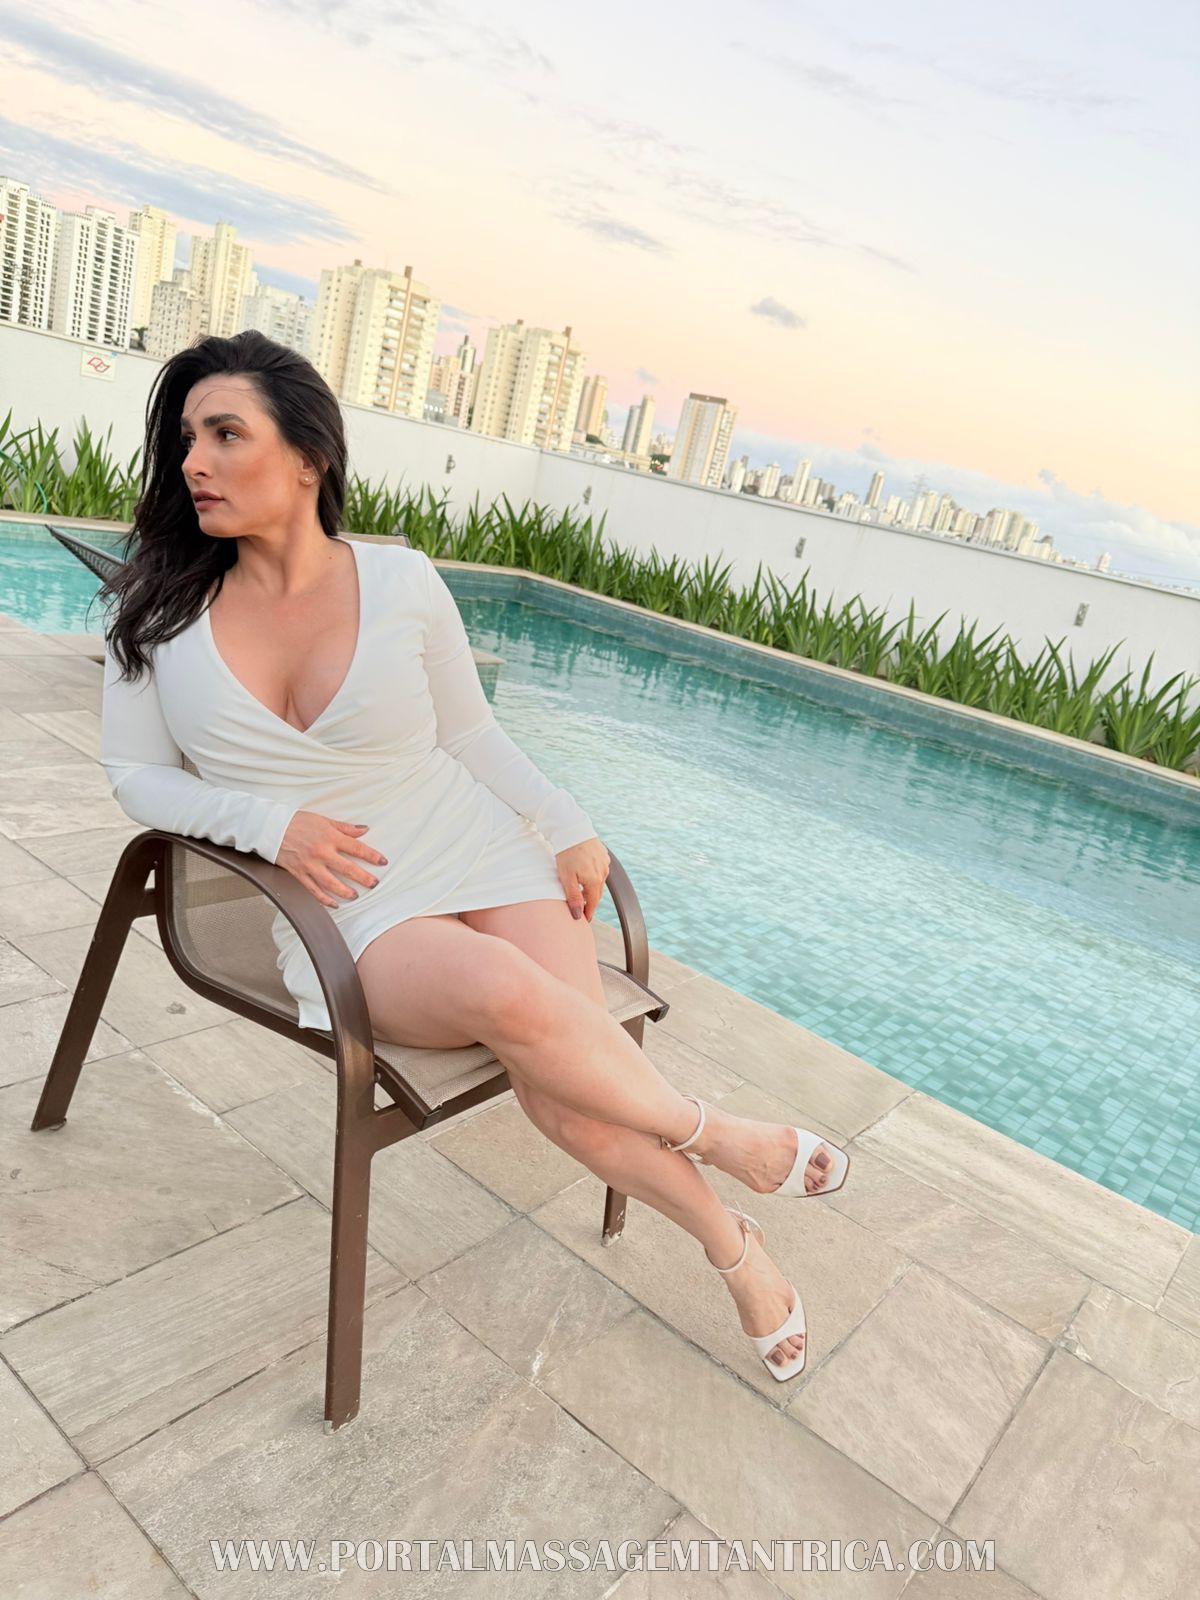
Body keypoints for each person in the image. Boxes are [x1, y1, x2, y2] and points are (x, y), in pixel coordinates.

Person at [98, 330, 850, 1379]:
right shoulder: (159, 611)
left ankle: (734, 1250)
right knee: (512, 995)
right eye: (187, 439)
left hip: (476, 843)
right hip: (350, 899)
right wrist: (273, 828)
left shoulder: (400, 580)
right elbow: (136, 776)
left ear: (309, 456)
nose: (194, 462)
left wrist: (565, 819)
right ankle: (721, 1137)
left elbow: (469, 733)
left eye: (226, 434)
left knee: (564, 1091)